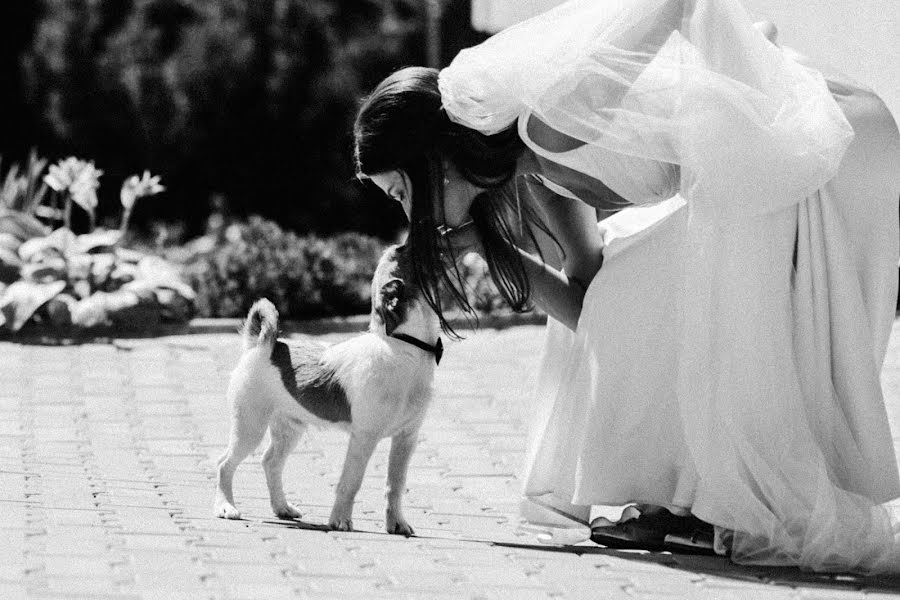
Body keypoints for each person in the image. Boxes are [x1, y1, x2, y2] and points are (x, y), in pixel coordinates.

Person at [353, 0, 900, 573]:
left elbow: (679, 4)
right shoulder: (533, 168)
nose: (407, 212)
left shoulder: (550, 121)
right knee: (627, 285)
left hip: (823, 139)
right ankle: (697, 501)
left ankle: (713, 503)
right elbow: (590, 309)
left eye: (399, 192)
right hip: (775, 164)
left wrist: (739, 79)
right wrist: (485, 250)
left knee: (676, 283)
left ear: (432, 163)